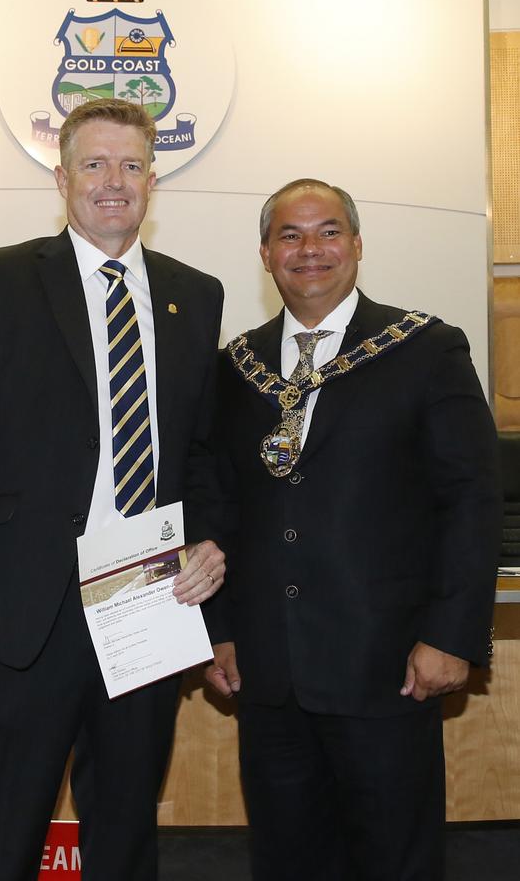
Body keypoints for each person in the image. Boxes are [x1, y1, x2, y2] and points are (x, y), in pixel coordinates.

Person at [0, 99, 225, 881]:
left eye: (130, 165)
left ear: (153, 180)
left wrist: (212, 541)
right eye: (94, 164)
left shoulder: (197, 295)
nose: (113, 182)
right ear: (62, 179)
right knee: (0, 837)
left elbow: (201, 453)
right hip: (28, 614)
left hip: (147, 606)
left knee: (125, 836)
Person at [205, 178, 500, 881]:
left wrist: (452, 636)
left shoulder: (425, 349)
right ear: (266, 255)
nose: (311, 249)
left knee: (394, 858)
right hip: (270, 675)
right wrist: (217, 626)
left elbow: (471, 499)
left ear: (358, 245)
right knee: (286, 859)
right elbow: (216, 507)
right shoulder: (232, 369)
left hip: (391, 668)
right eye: (291, 235)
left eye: (329, 232)